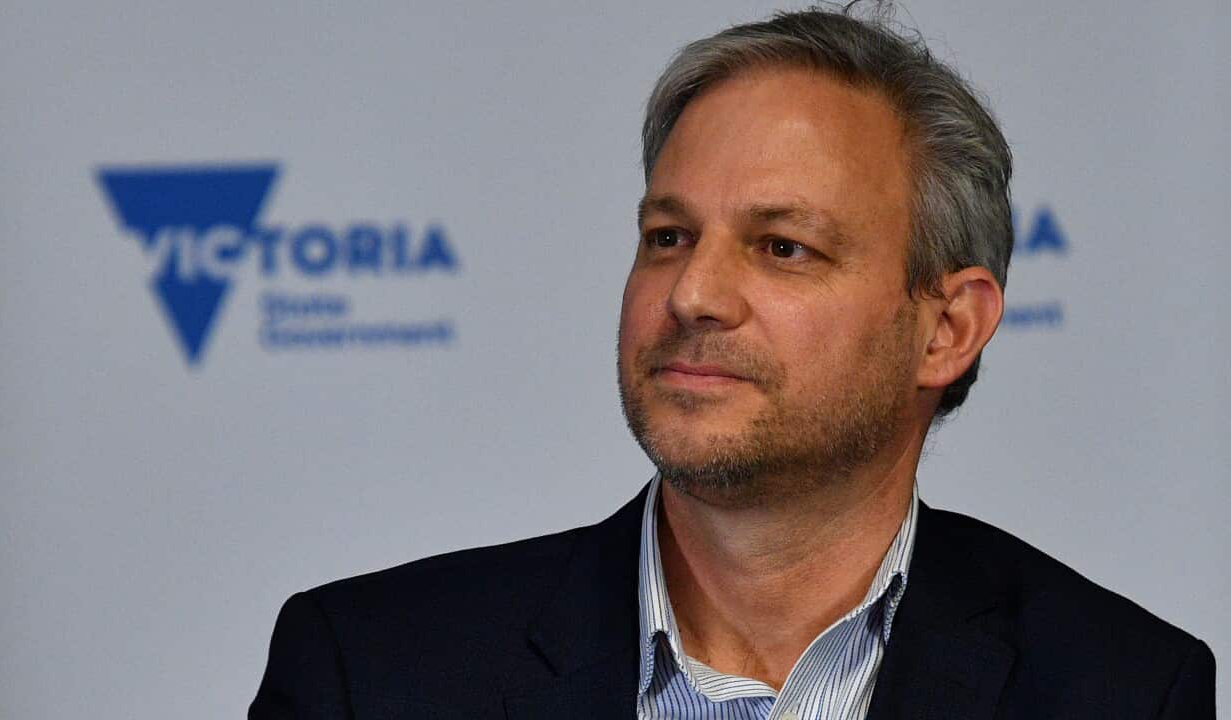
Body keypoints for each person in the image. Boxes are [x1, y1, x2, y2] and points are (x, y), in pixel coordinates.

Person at [250, 7, 1216, 719]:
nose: (692, 295)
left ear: (947, 329)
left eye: (783, 246)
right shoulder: (369, 673)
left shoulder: (1121, 689)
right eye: (668, 236)